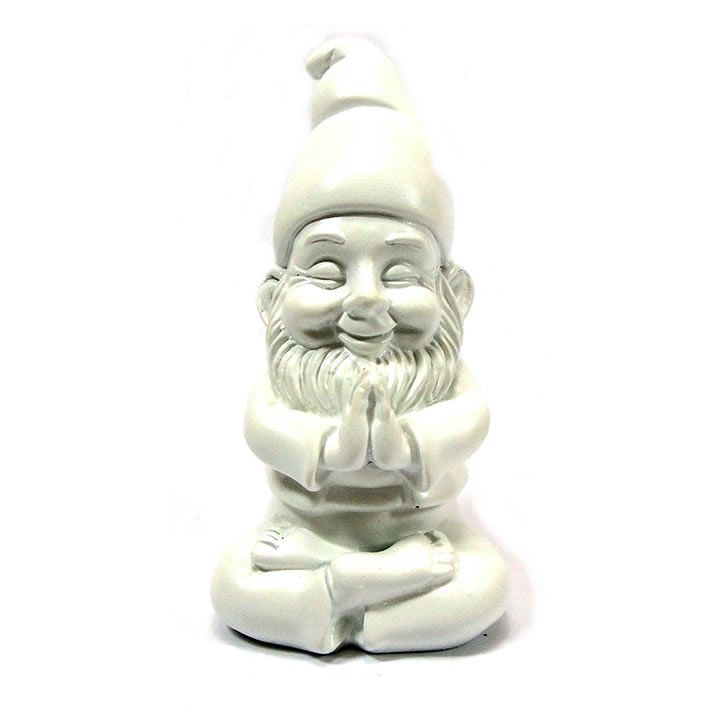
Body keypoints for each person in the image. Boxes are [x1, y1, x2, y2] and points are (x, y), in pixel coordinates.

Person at [212, 37, 506, 654]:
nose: (366, 299)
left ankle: (336, 601)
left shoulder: (447, 382)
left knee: (484, 586)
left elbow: (470, 420)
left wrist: (407, 445)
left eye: (400, 274)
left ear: (455, 296)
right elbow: (263, 428)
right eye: (326, 272)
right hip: (300, 529)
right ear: (272, 299)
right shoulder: (282, 383)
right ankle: (365, 587)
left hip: (428, 533)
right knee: (232, 586)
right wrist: (329, 448)